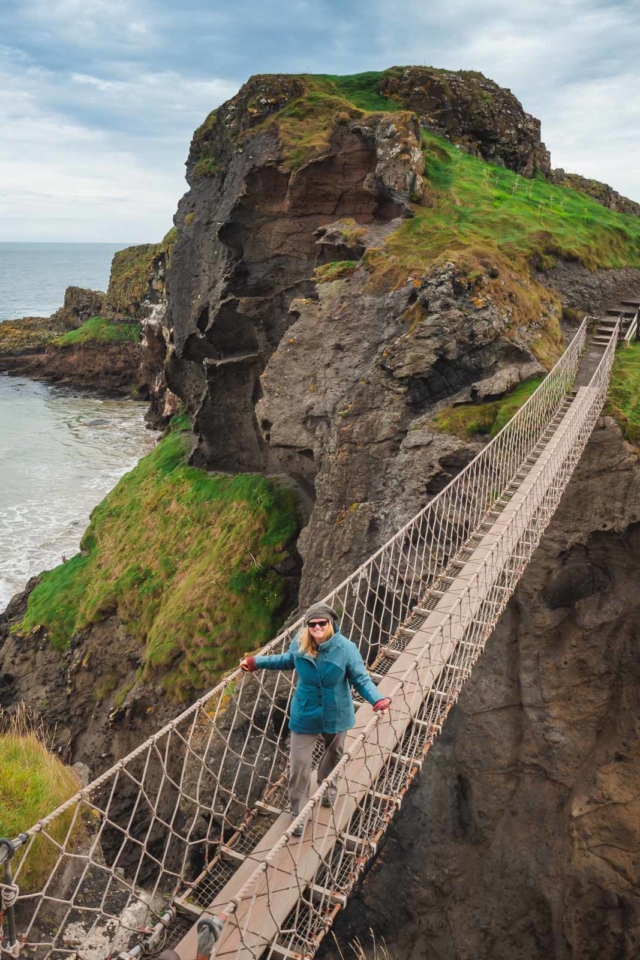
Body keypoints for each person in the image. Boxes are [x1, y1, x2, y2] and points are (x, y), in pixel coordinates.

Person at [240, 602, 390, 837]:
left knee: (334, 754)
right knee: (299, 763)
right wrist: (255, 662)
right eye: (312, 624)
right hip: (306, 711)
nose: (317, 627)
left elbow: (360, 679)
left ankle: (327, 785)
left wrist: (377, 699)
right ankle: (298, 812)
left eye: (322, 623)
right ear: (308, 626)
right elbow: (287, 660)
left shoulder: (346, 649)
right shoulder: (300, 643)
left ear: (331, 624)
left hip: (336, 711)